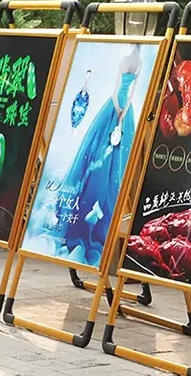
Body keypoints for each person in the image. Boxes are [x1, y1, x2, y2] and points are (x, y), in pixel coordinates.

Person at [55, 45, 142, 265]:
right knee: (102, 153)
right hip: (120, 105)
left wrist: (120, 112)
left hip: (120, 106)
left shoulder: (132, 59)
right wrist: (122, 110)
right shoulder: (132, 60)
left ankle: (103, 211)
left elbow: (125, 89)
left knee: (115, 158)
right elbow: (123, 89)